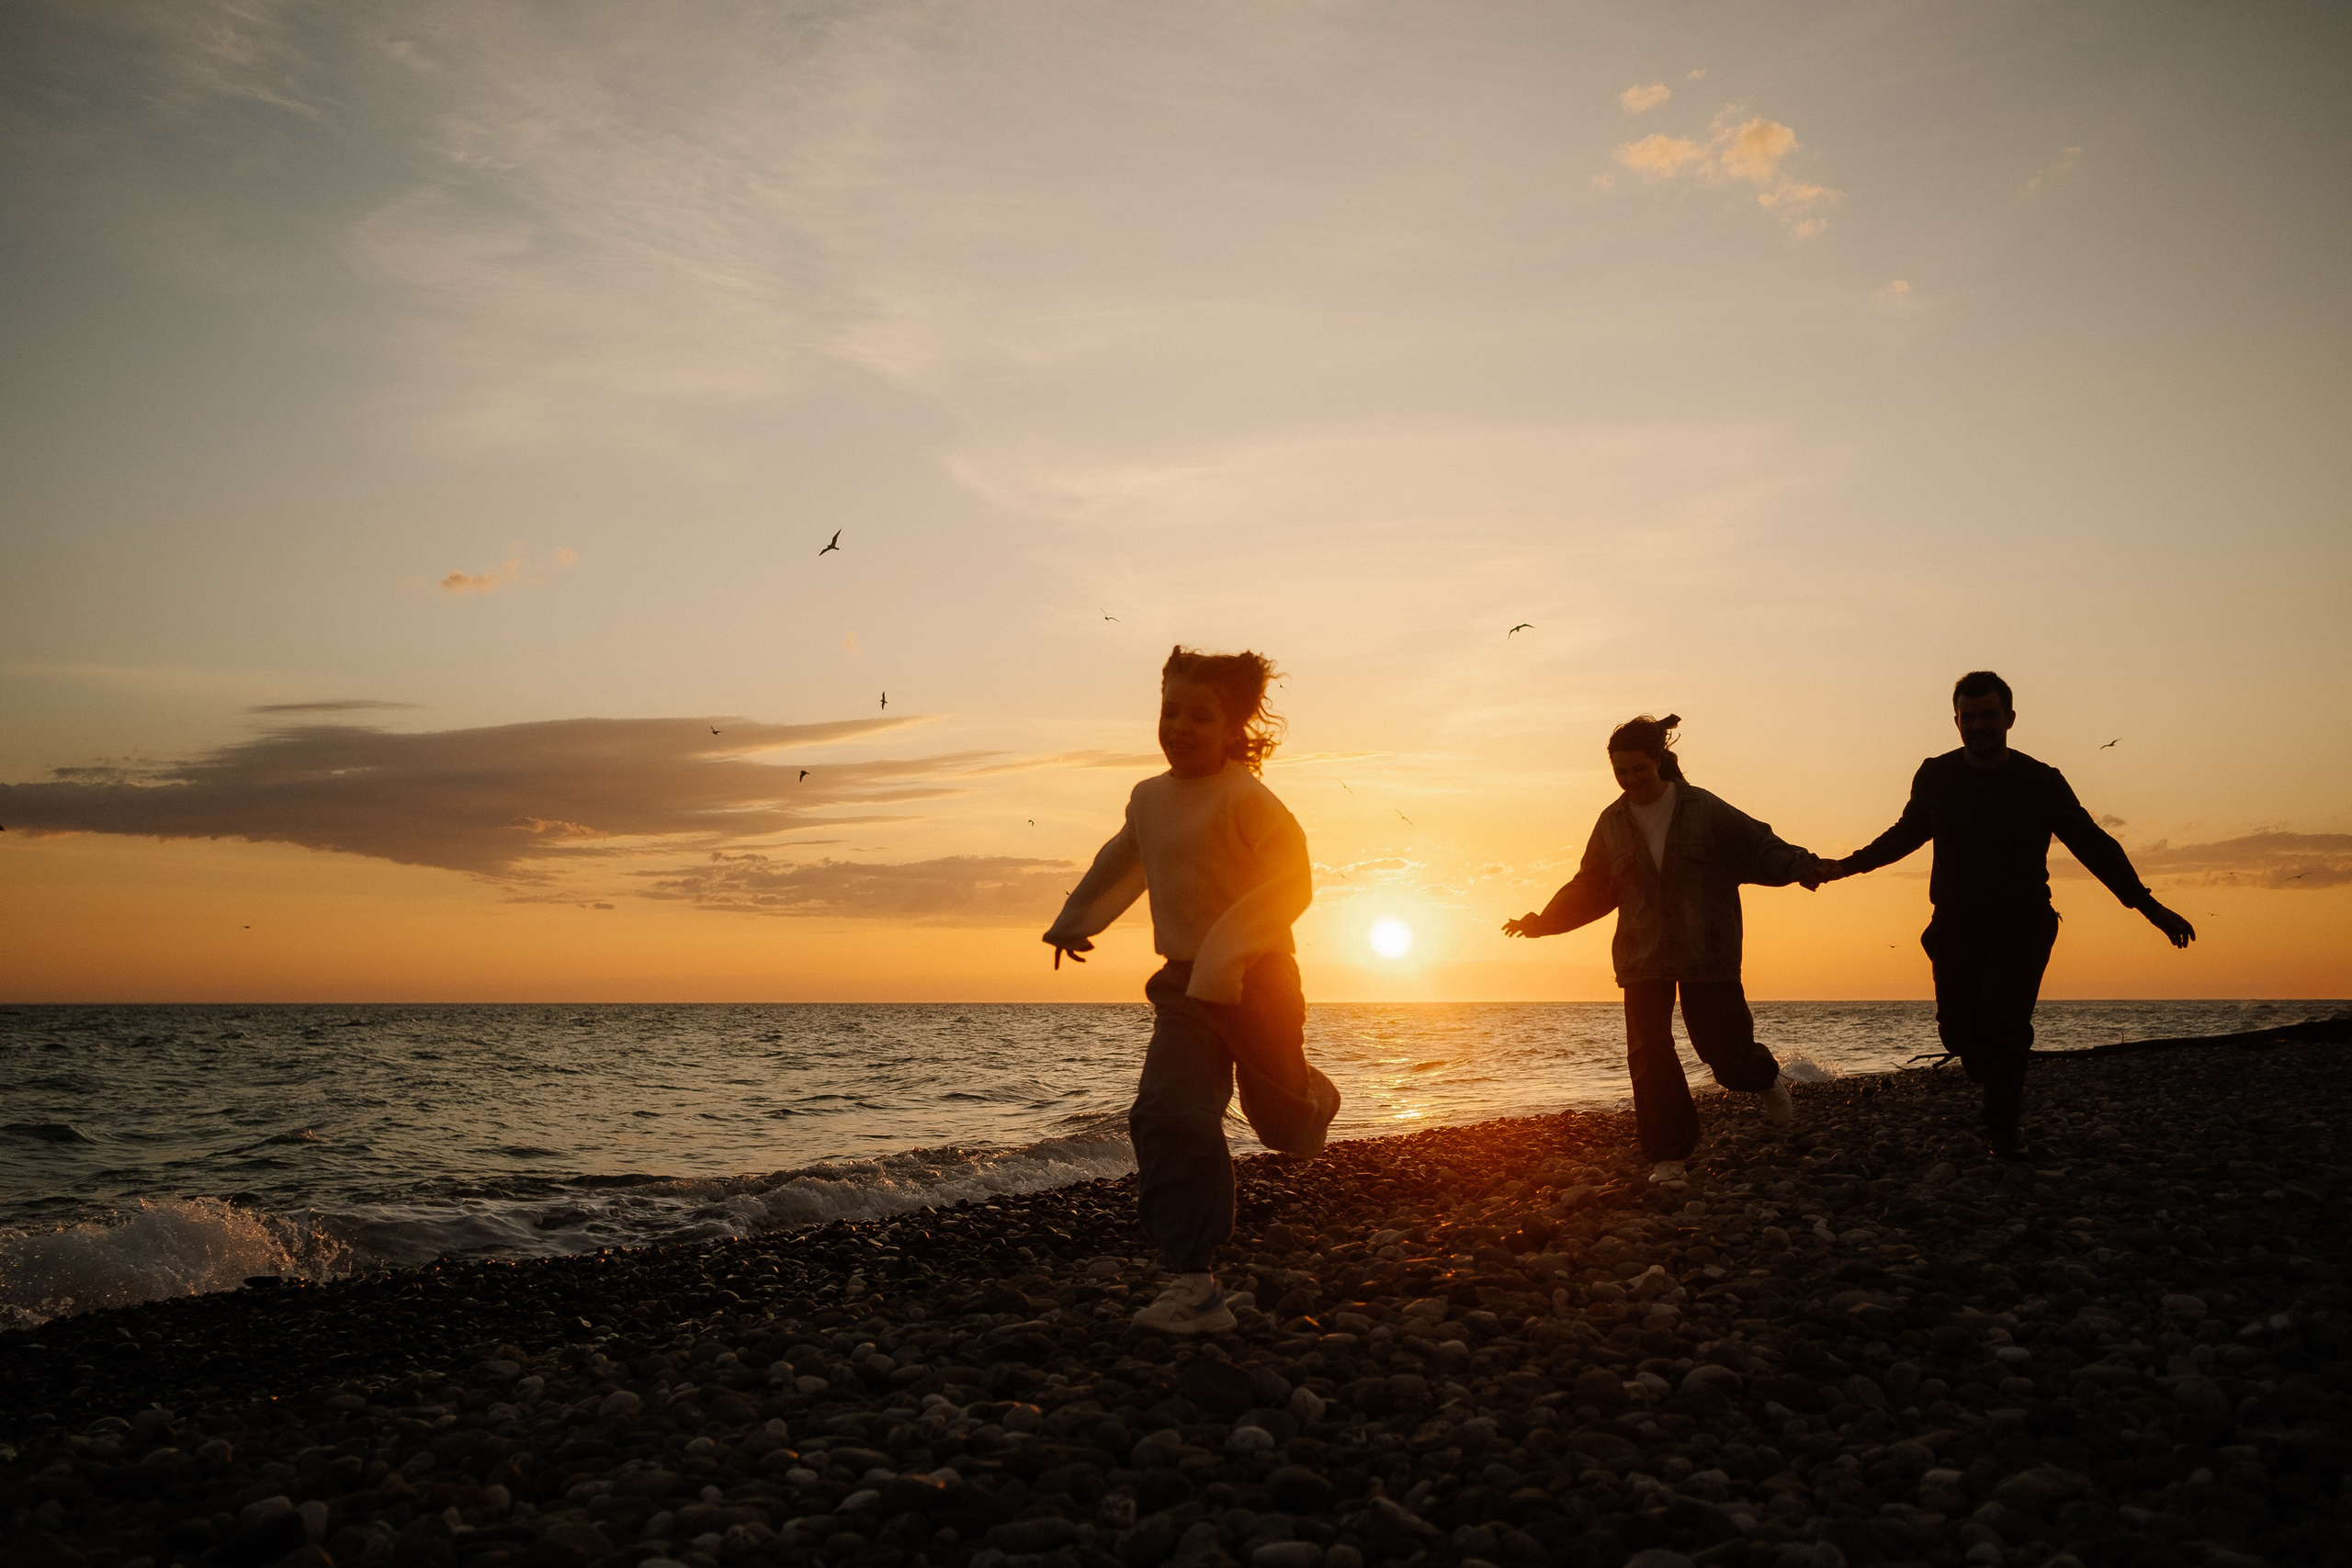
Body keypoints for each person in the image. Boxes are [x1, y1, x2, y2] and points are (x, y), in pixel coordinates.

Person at [1042, 646, 1340, 1335]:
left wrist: (1227, 956)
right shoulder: (1148, 797)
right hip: (1183, 986)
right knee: (1169, 1110)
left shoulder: (1249, 800)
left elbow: (1293, 885)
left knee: (1283, 1128)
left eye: (1198, 714)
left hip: (1259, 977)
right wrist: (1073, 920)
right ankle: (1194, 1282)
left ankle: (1312, 1093)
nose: (1178, 724)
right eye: (1169, 709)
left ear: (1234, 728)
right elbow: (1123, 859)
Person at [1812, 671, 2195, 1158]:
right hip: (1954, 926)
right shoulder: (1937, 776)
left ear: (2009, 719)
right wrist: (1844, 866)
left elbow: (2093, 845)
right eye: (1968, 717)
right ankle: (1986, 1061)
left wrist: (2150, 907)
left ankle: (2003, 1133)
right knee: (1958, 1033)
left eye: (1988, 716)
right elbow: (1904, 835)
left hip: (2022, 923)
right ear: (1956, 721)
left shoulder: (2040, 782)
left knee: (2005, 1024)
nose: (1978, 726)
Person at [1502, 714, 1815, 1183]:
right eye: (1620, 772)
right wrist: (1544, 922)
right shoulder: (1611, 822)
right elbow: (1590, 885)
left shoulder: (1704, 809)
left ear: (1659, 762)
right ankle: (1668, 1155)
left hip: (1706, 950)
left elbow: (1758, 846)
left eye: (1638, 770)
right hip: (1641, 955)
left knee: (1725, 1055)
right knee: (1650, 1053)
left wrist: (1801, 865)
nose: (1629, 780)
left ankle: (1763, 1077)